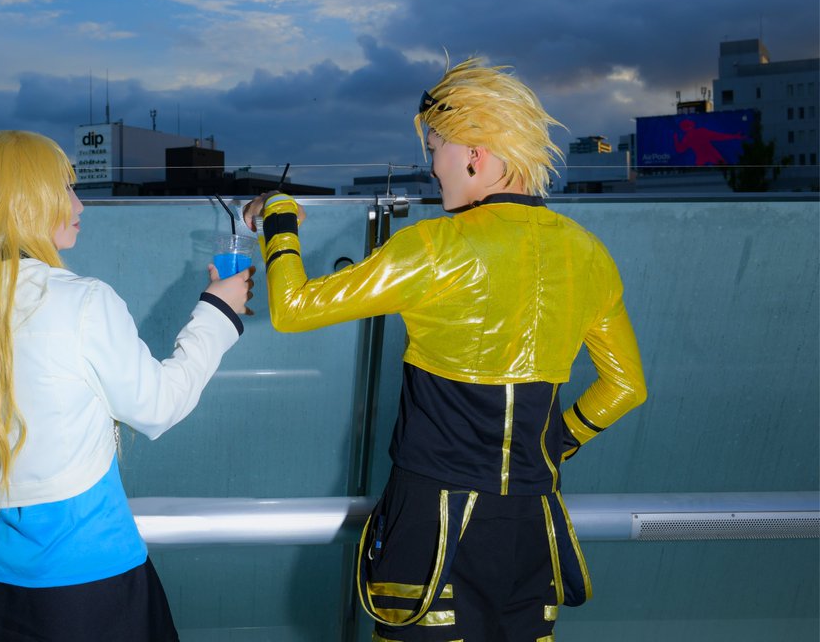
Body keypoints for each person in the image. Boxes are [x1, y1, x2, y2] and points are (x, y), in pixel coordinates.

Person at [243, 58, 646, 641]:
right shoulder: (588, 253)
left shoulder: (434, 245)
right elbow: (626, 388)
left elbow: (294, 308)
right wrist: (555, 444)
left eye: (435, 148)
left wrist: (279, 216)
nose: (432, 165)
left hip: (433, 524)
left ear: (474, 155)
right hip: (532, 524)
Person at [0, 130, 253, 641]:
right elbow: (160, 407)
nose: (79, 204)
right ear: (26, 203)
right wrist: (217, 312)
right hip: (97, 594)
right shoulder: (83, 303)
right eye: (64, 189)